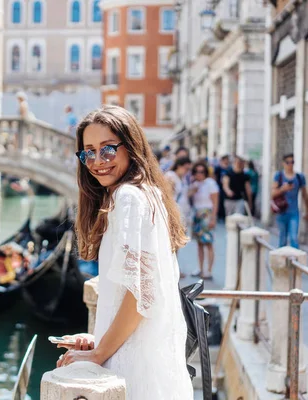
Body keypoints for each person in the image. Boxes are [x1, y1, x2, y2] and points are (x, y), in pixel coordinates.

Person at [54, 105, 193, 399]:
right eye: (88, 152)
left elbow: (141, 293)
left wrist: (98, 353)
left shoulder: (128, 198)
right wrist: (97, 340)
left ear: (130, 147)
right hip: (146, 358)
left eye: (107, 149)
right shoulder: (149, 193)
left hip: (132, 371)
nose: (97, 161)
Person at [188, 161, 219, 279]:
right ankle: (200, 268)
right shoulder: (194, 184)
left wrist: (213, 218)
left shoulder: (210, 183)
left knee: (209, 243)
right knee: (199, 243)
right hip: (197, 214)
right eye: (196, 172)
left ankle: (209, 270)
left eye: (201, 172)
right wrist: (193, 190)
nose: (199, 174)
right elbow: (188, 196)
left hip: (207, 214)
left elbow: (215, 202)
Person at [272, 153, 308, 248]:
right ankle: (281, 261)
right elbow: (272, 194)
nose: (290, 164)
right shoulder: (278, 176)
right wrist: (283, 189)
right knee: (282, 238)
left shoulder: (300, 177)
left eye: (292, 162)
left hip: (294, 212)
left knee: (294, 238)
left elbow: (305, 195)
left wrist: (307, 210)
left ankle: (295, 261)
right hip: (281, 211)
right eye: (288, 162)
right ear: (284, 163)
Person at [165, 157, 193, 279]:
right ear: (179, 166)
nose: (187, 171)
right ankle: (171, 270)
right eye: (186, 168)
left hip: (180, 213)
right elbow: (167, 195)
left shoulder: (180, 178)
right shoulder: (171, 176)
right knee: (173, 243)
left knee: (177, 244)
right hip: (174, 214)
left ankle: (174, 269)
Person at [213, 155, 230, 220]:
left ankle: (224, 215)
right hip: (219, 187)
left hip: (225, 188)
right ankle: (219, 215)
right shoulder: (218, 168)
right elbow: (215, 176)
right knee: (219, 201)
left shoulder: (229, 169)